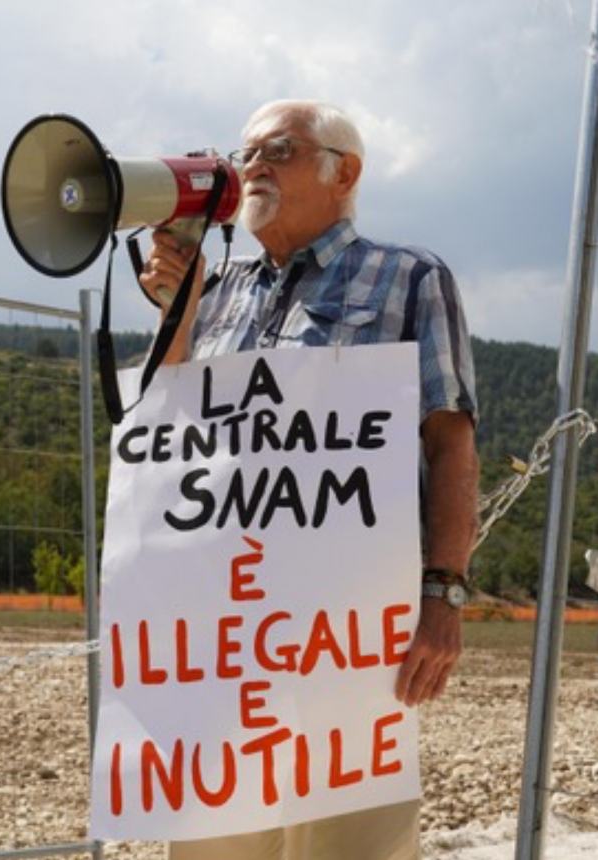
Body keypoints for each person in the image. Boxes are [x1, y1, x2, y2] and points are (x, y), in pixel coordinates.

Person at [139, 99, 479, 860]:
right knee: (214, 844)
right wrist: (178, 313)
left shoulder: (408, 275)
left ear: (343, 172)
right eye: (244, 151)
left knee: (346, 843)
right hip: (222, 629)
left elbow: (448, 443)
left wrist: (442, 593)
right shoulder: (215, 289)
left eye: (278, 151)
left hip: (348, 636)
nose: (250, 165)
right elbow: (168, 436)